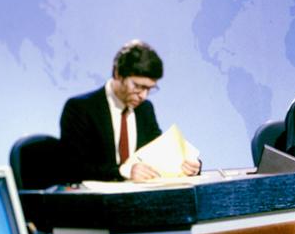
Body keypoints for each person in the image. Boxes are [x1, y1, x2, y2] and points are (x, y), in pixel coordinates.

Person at [59, 40, 201, 183]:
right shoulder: (80, 108)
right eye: (138, 86)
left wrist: (190, 165)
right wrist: (124, 172)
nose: (143, 95)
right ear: (118, 74)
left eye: (149, 89)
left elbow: (159, 152)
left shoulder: (145, 109)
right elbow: (73, 167)